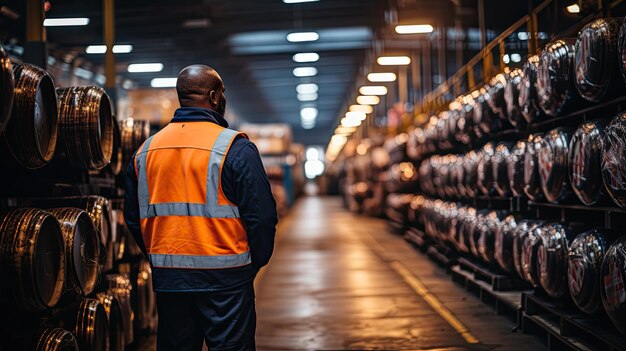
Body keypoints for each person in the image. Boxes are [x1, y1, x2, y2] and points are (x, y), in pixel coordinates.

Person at [124, 64, 278, 351]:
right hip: (227, 282)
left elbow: (134, 218)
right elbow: (262, 217)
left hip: (171, 281)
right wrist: (252, 263)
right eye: (222, 93)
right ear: (214, 97)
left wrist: (162, 259)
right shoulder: (234, 148)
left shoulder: (146, 151)